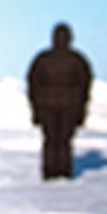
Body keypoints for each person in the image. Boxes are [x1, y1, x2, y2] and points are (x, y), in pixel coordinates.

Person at [26, 22, 93, 179]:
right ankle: (63, 171)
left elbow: (33, 85)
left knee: (51, 139)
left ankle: (50, 171)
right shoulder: (78, 60)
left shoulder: (43, 59)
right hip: (68, 106)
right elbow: (85, 87)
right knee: (64, 140)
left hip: (48, 106)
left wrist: (35, 109)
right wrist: (81, 110)